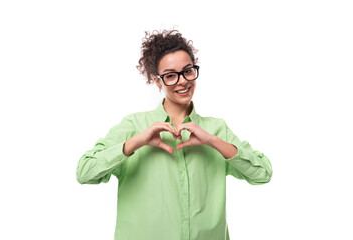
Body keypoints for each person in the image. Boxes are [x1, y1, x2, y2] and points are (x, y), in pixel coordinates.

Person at [76, 29, 273, 240]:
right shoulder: (133, 125)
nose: (182, 81)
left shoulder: (216, 129)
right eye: (170, 76)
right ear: (157, 81)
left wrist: (213, 141)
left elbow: (263, 174)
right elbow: (84, 172)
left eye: (188, 71)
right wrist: (136, 142)